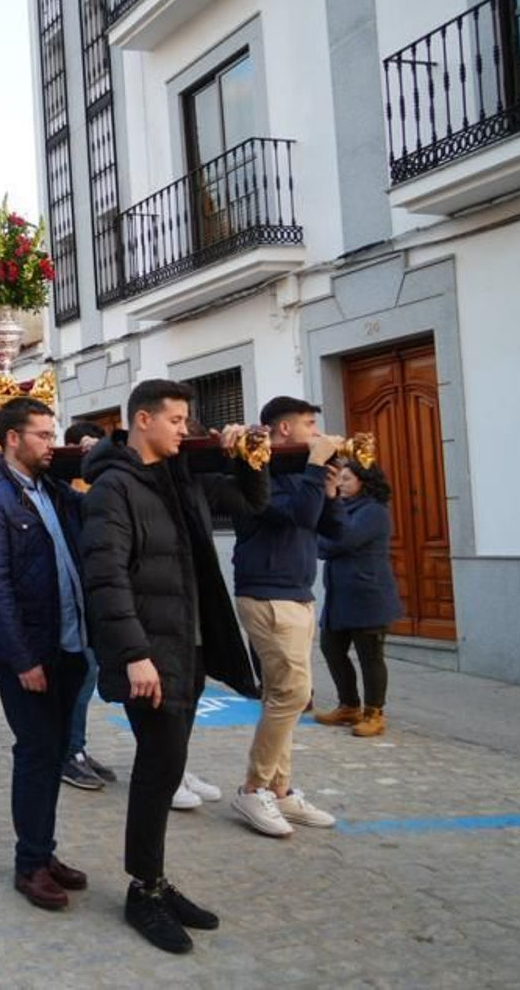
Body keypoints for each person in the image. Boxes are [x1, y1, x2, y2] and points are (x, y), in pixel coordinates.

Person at [81, 380, 267, 953]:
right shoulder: (112, 488)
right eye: (178, 420)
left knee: (169, 765)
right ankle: (145, 891)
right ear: (143, 420)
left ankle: (156, 882)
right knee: (159, 768)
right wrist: (135, 654)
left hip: (187, 649)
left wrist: (247, 458)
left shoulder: (176, 476)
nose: (185, 429)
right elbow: (106, 577)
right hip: (151, 656)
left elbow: (250, 503)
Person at [0, 397, 91, 912]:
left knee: (53, 750)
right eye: (41, 434)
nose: (51, 442)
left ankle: (45, 849)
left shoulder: (52, 489)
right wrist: (23, 660)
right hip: (27, 652)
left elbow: (94, 513)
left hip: (67, 642)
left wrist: (96, 457)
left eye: (52, 432)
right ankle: (29, 864)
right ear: (13, 439)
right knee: (36, 752)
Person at [230, 396, 346, 838]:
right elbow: (295, 512)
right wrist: (315, 471)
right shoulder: (260, 470)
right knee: (294, 693)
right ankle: (253, 787)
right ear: (282, 430)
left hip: (298, 594)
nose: (317, 433)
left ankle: (279, 790)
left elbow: (331, 529)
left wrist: (330, 491)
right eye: (309, 425)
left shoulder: (304, 475)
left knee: (284, 694)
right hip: (267, 595)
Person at [315, 461, 402, 738]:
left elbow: (341, 541)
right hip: (341, 597)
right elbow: (326, 541)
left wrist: (324, 540)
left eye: (346, 479)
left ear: (363, 481)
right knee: (331, 648)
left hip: (367, 596)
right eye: (339, 478)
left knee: (370, 657)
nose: (340, 483)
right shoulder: (345, 508)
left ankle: (374, 713)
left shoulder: (373, 512)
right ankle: (349, 705)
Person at [58, 421, 118, 792]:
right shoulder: (61, 490)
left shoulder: (83, 492)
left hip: (92, 596)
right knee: (79, 677)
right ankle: (68, 751)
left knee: (88, 675)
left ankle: (76, 746)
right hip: (69, 600)